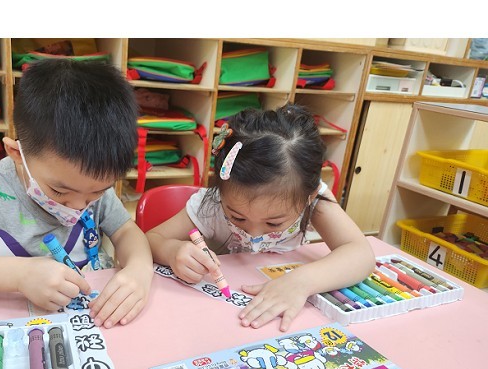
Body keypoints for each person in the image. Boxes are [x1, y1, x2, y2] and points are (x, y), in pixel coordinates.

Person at [0, 59, 154, 329]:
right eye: (60, 190)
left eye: (96, 193)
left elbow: (127, 232)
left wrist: (139, 270)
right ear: (16, 153)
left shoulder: (89, 184)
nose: (79, 206)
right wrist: (21, 275)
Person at [146, 104, 375, 332]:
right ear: (220, 191)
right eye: (237, 217)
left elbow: (360, 254)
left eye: (274, 223)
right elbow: (150, 239)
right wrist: (172, 251)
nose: (254, 233)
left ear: (310, 196)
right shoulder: (211, 204)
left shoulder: (314, 201)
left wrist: (301, 282)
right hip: (214, 313)